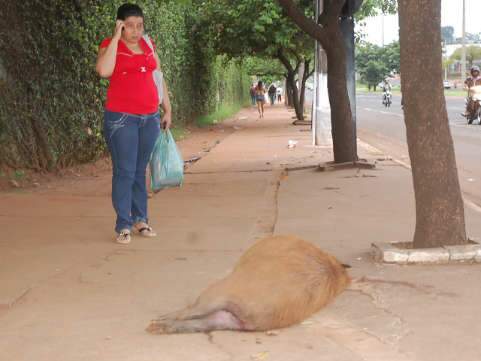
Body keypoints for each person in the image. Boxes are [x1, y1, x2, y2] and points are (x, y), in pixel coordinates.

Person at [96, 3, 172, 244]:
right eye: (129, 26)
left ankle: (141, 219)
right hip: (121, 118)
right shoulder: (110, 45)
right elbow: (104, 71)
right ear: (120, 25)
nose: (136, 31)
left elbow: (158, 77)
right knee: (125, 171)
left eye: (139, 26)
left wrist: (167, 108)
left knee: (140, 170)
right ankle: (123, 224)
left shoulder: (148, 45)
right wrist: (117, 37)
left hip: (149, 118)